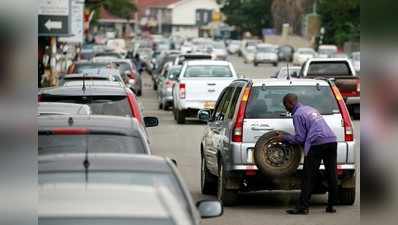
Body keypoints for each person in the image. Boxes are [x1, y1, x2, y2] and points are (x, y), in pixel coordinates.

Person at [275, 93, 338, 215]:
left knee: (308, 176)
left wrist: (284, 138)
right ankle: (331, 205)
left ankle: (303, 207)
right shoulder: (310, 109)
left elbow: (300, 138)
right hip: (331, 141)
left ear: (290, 103)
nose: (285, 108)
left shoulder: (298, 115)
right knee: (332, 174)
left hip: (317, 143)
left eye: (285, 105)